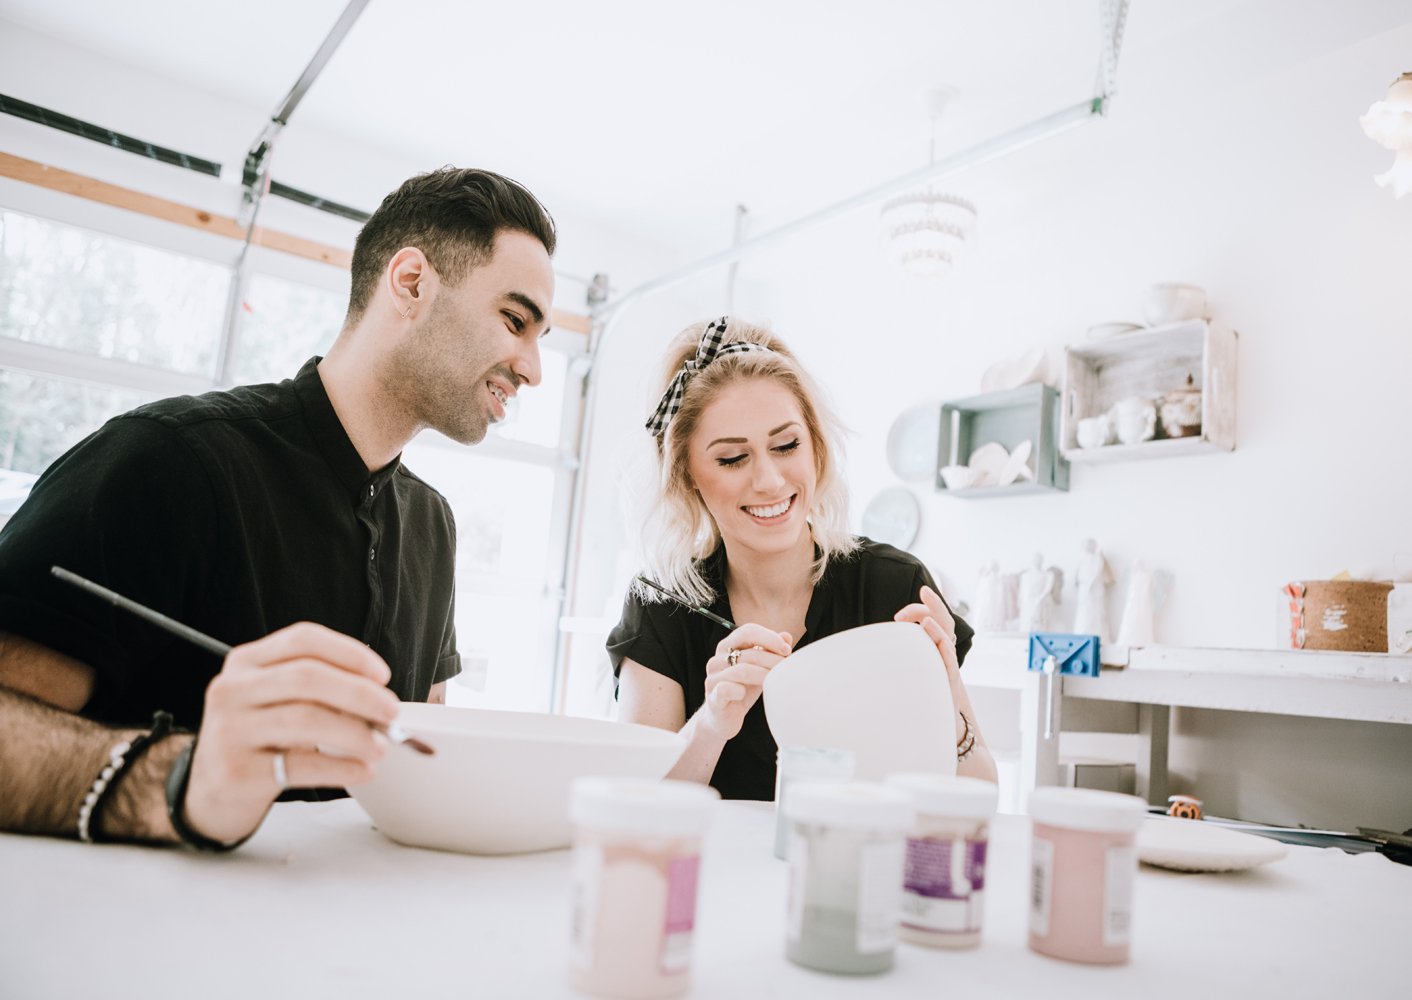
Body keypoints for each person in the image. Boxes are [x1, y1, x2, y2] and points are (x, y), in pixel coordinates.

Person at [0, 167, 556, 848]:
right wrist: (181, 780)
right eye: (514, 320)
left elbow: (413, 754)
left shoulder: (434, 527)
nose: (532, 369)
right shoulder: (166, 463)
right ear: (410, 283)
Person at [608, 317, 997, 800]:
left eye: (786, 445)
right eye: (732, 458)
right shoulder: (660, 604)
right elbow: (633, 807)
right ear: (687, 475)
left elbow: (977, 794)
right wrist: (710, 724)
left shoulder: (894, 586)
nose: (769, 480)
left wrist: (947, 686)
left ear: (814, 446)